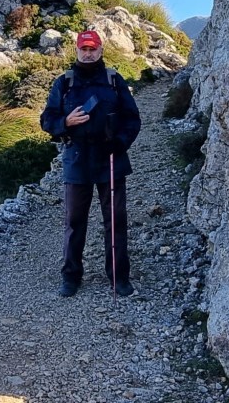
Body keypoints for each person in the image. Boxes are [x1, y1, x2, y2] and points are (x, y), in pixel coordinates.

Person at [40, 29, 142, 297]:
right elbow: (47, 120)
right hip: (76, 160)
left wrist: (119, 142)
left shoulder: (114, 80)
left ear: (100, 51)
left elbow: (132, 119)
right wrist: (65, 123)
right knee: (74, 221)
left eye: (92, 49)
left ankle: (119, 278)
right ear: (76, 50)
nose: (88, 54)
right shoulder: (64, 83)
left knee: (115, 220)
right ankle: (71, 277)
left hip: (111, 160)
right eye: (83, 49)